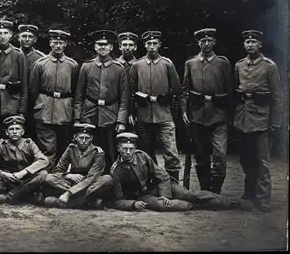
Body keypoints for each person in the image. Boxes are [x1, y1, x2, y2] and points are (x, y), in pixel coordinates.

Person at [110, 132, 243, 212]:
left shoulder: (142, 156)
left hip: (158, 187)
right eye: (124, 148)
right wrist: (133, 204)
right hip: (142, 197)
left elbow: (162, 176)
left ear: (135, 148)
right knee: (166, 206)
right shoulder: (116, 170)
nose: (128, 152)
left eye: (131, 149)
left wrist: (165, 194)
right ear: (118, 148)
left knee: (190, 194)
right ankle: (197, 207)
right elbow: (118, 200)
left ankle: (230, 202)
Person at [233, 30, 283, 212]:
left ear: (260, 45)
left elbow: (277, 97)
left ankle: (263, 198)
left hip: (262, 119)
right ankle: (249, 192)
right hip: (244, 118)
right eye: (247, 41)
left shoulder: (270, 66)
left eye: (253, 41)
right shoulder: (239, 65)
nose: (250, 44)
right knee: (245, 159)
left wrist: (275, 122)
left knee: (262, 161)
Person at [181, 28, 233, 193]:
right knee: (201, 156)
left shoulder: (223, 63)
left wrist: (228, 113)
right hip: (197, 115)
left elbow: (230, 90)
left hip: (218, 115)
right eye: (203, 41)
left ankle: (216, 190)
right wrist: (183, 111)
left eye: (209, 40)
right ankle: (205, 191)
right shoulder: (191, 63)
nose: (206, 44)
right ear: (198, 43)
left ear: (214, 42)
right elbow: (184, 90)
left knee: (219, 155)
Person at [128, 30, 182, 183]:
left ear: (159, 45)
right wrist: (133, 111)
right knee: (146, 152)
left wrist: (165, 98)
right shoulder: (137, 65)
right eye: (149, 44)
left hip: (164, 114)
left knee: (170, 151)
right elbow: (131, 91)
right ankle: (152, 183)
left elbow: (176, 89)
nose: (152, 47)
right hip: (143, 114)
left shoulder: (167, 64)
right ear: (144, 45)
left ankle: (173, 185)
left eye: (155, 44)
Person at [74, 30, 128, 173]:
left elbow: (124, 97)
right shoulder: (87, 67)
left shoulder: (119, 69)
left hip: (110, 114)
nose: (103, 47)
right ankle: (89, 182)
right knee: (89, 151)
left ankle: (110, 182)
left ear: (111, 47)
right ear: (95, 47)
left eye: (106, 45)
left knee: (110, 151)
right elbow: (79, 94)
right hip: (89, 113)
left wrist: (121, 121)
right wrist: (77, 118)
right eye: (100, 44)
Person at [29, 29, 79, 168]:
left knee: (64, 146)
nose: (58, 46)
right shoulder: (40, 64)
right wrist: (39, 104)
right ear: (50, 43)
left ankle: (60, 176)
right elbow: (33, 89)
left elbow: (75, 90)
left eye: (61, 43)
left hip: (64, 111)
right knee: (47, 149)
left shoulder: (72, 65)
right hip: (44, 110)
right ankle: (46, 179)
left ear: (65, 44)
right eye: (55, 42)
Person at [0, 115, 49, 205]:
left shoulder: (29, 143)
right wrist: (3, 174)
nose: (14, 132)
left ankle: (8, 197)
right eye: (11, 129)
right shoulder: (1, 145)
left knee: (43, 174)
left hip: (26, 180)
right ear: (7, 133)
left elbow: (44, 160)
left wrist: (23, 172)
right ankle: (26, 196)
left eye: (17, 129)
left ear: (22, 132)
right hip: (8, 181)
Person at [41, 123, 112, 210]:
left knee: (107, 179)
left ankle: (61, 203)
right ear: (75, 137)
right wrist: (69, 175)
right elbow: (57, 170)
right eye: (81, 138)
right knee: (48, 177)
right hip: (72, 182)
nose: (84, 141)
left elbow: (91, 178)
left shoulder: (98, 153)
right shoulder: (71, 149)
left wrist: (69, 193)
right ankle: (89, 203)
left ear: (91, 139)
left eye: (87, 138)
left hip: (89, 184)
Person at [18, 24, 45, 140]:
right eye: (24, 36)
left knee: (33, 132)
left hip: (33, 102)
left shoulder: (40, 58)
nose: (27, 39)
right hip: (13, 99)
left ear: (35, 40)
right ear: (18, 37)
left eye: (30, 36)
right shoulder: (13, 54)